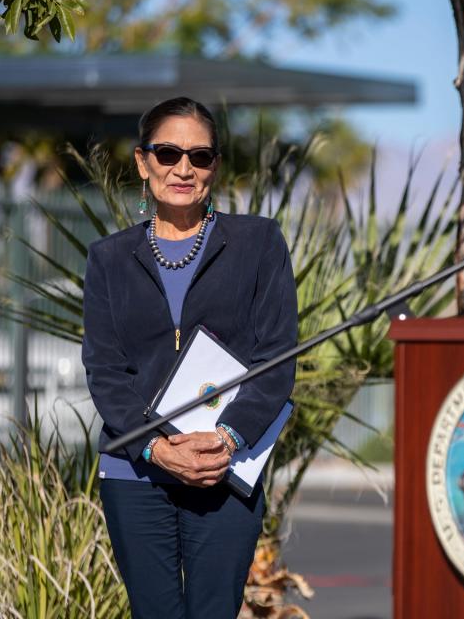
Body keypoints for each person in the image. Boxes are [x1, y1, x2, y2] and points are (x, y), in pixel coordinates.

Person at [81, 97, 297, 617]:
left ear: (214, 167)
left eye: (199, 156)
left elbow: (278, 360)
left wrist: (225, 439)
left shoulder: (259, 243)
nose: (183, 168)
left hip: (222, 466)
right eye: (168, 153)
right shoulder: (108, 259)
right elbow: (105, 372)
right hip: (136, 471)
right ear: (142, 161)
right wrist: (157, 449)